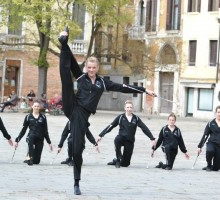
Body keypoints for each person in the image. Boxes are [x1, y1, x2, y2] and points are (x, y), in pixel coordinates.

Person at [58, 27, 156, 195]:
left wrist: (144, 90)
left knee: (76, 149)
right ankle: (63, 42)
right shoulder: (81, 77)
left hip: (81, 116)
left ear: (97, 68)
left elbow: (122, 87)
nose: (90, 70)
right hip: (71, 106)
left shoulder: (103, 83)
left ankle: (76, 182)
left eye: (93, 67)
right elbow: (73, 63)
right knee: (66, 76)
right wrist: (65, 46)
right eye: (88, 67)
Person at [97, 100, 155, 168]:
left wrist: (152, 138)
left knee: (126, 164)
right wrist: (101, 135)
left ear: (132, 108)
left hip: (130, 141)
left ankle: (115, 161)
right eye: (127, 107)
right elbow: (111, 126)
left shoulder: (136, 118)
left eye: (130, 107)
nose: (129, 109)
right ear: (125, 108)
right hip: (121, 138)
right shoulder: (120, 117)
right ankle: (118, 159)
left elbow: (144, 128)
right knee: (117, 139)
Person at [15, 101, 53, 165]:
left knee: (37, 162)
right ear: (32, 107)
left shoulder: (43, 117)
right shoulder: (28, 117)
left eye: (37, 106)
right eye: (35, 106)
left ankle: (32, 157)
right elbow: (23, 130)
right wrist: (17, 140)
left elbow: (45, 130)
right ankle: (30, 157)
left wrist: (49, 142)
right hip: (31, 136)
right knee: (31, 138)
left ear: (39, 107)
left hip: (40, 137)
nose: (36, 107)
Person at [197, 105, 220, 171]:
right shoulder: (210, 123)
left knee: (217, 168)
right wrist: (200, 147)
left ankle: (211, 166)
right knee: (210, 151)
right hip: (212, 143)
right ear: (216, 113)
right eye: (218, 112)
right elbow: (205, 135)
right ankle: (209, 164)